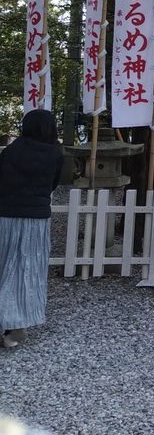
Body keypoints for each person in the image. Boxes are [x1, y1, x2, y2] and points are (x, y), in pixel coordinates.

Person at [0, 109, 63, 349]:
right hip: (36, 218)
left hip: (6, 215)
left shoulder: (12, 151)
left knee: (5, 267)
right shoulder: (56, 153)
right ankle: (17, 326)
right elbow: (53, 184)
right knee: (28, 270)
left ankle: (7, 320)